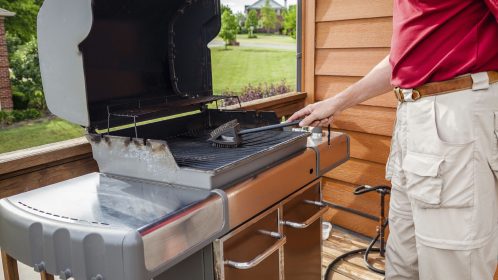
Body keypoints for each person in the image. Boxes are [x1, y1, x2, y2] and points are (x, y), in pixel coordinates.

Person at [288, 0, 498, 279]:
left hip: (452, 118)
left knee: (451, 267)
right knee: (401, 263)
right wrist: (337, 102)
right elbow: (402, 60)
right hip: (412, 118)